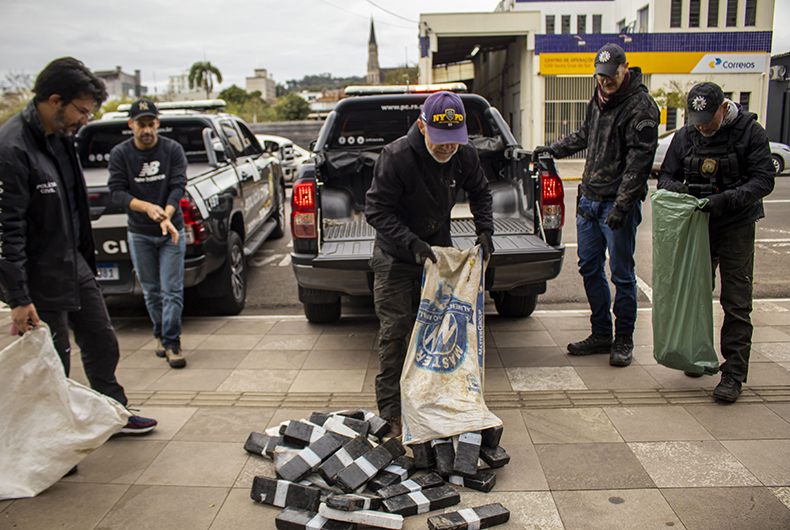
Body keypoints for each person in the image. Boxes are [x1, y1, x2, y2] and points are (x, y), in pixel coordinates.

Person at [0, 57, 157, 439]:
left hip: (74, 264)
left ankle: (112, 413)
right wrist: (18, 297)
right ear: (55, 100)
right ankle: (55, 439)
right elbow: (7, 229)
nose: (85, 120)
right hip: (39, 276)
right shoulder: (12, 147)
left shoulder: (61, 139)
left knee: (102, 340)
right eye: (82, 111)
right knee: (52, 359)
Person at [365, 90, 494, 438]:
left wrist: (485, 230)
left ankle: (433, 400)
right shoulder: (396, 157)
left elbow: (480, 192)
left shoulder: (464, 154)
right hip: (396, 255)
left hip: (437, 252)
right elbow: (376, 210)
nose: (447, 148)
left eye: (454, 141)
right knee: (396, 333)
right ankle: (391, 412)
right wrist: (411, 243)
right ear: (422, 127)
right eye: (440, 140)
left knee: (439, 331)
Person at [533, 43, 659, 367]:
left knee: (622, 275)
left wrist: (623, 206)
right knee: (589, 267)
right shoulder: (599, 97)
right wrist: (553, 149)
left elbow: (639, 163)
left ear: (624, 69)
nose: (605, 81)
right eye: (600, 76)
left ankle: (624, 339)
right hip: (588, 200)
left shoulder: (641, 107)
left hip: (616, 205)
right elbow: (584, 135)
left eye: (610, 75)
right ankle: (601, 333)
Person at [657, 81, 774, 402]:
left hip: (736, 224)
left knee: (736, 302)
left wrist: (729, 199)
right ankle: (695, 353)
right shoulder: (686, 135)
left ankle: (733, 373)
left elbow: (764, 179)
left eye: (708, 120)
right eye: (697, 121)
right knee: (694, 294)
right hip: (698, 225)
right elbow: (665, 177)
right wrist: (684, 192)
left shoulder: (750, 132)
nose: (703, 127)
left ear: (724, 108)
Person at [109, 99, 188, 369]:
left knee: (172, 290)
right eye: (141, 124)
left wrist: (166, 215)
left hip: (172, 232)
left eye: (151, 123)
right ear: (131, 124)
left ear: (158, 123)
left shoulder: (172, 149)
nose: (146, 129)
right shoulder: (121, 154)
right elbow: (117, 192)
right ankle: (160, 335)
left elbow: (178, 185)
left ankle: (172, 342)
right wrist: (147, 208)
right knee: (152, 291)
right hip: (140, 233)